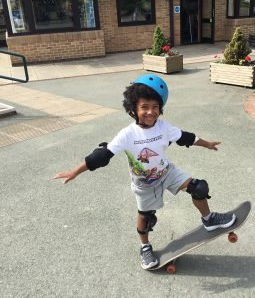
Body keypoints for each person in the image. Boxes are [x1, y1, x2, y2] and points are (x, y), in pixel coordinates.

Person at [54, 74, 236, 270]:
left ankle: (209, 220)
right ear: (133, 109)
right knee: (146, 216)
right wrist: (75, 171)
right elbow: (102, 155)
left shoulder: (163, 127)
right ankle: (145, 247)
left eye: (155, 107)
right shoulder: (127, 134)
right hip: (144, 183)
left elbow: (185, 137)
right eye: (144, 107)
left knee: (199, 188)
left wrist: (207, 144)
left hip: (167, 173)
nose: (151, 112)